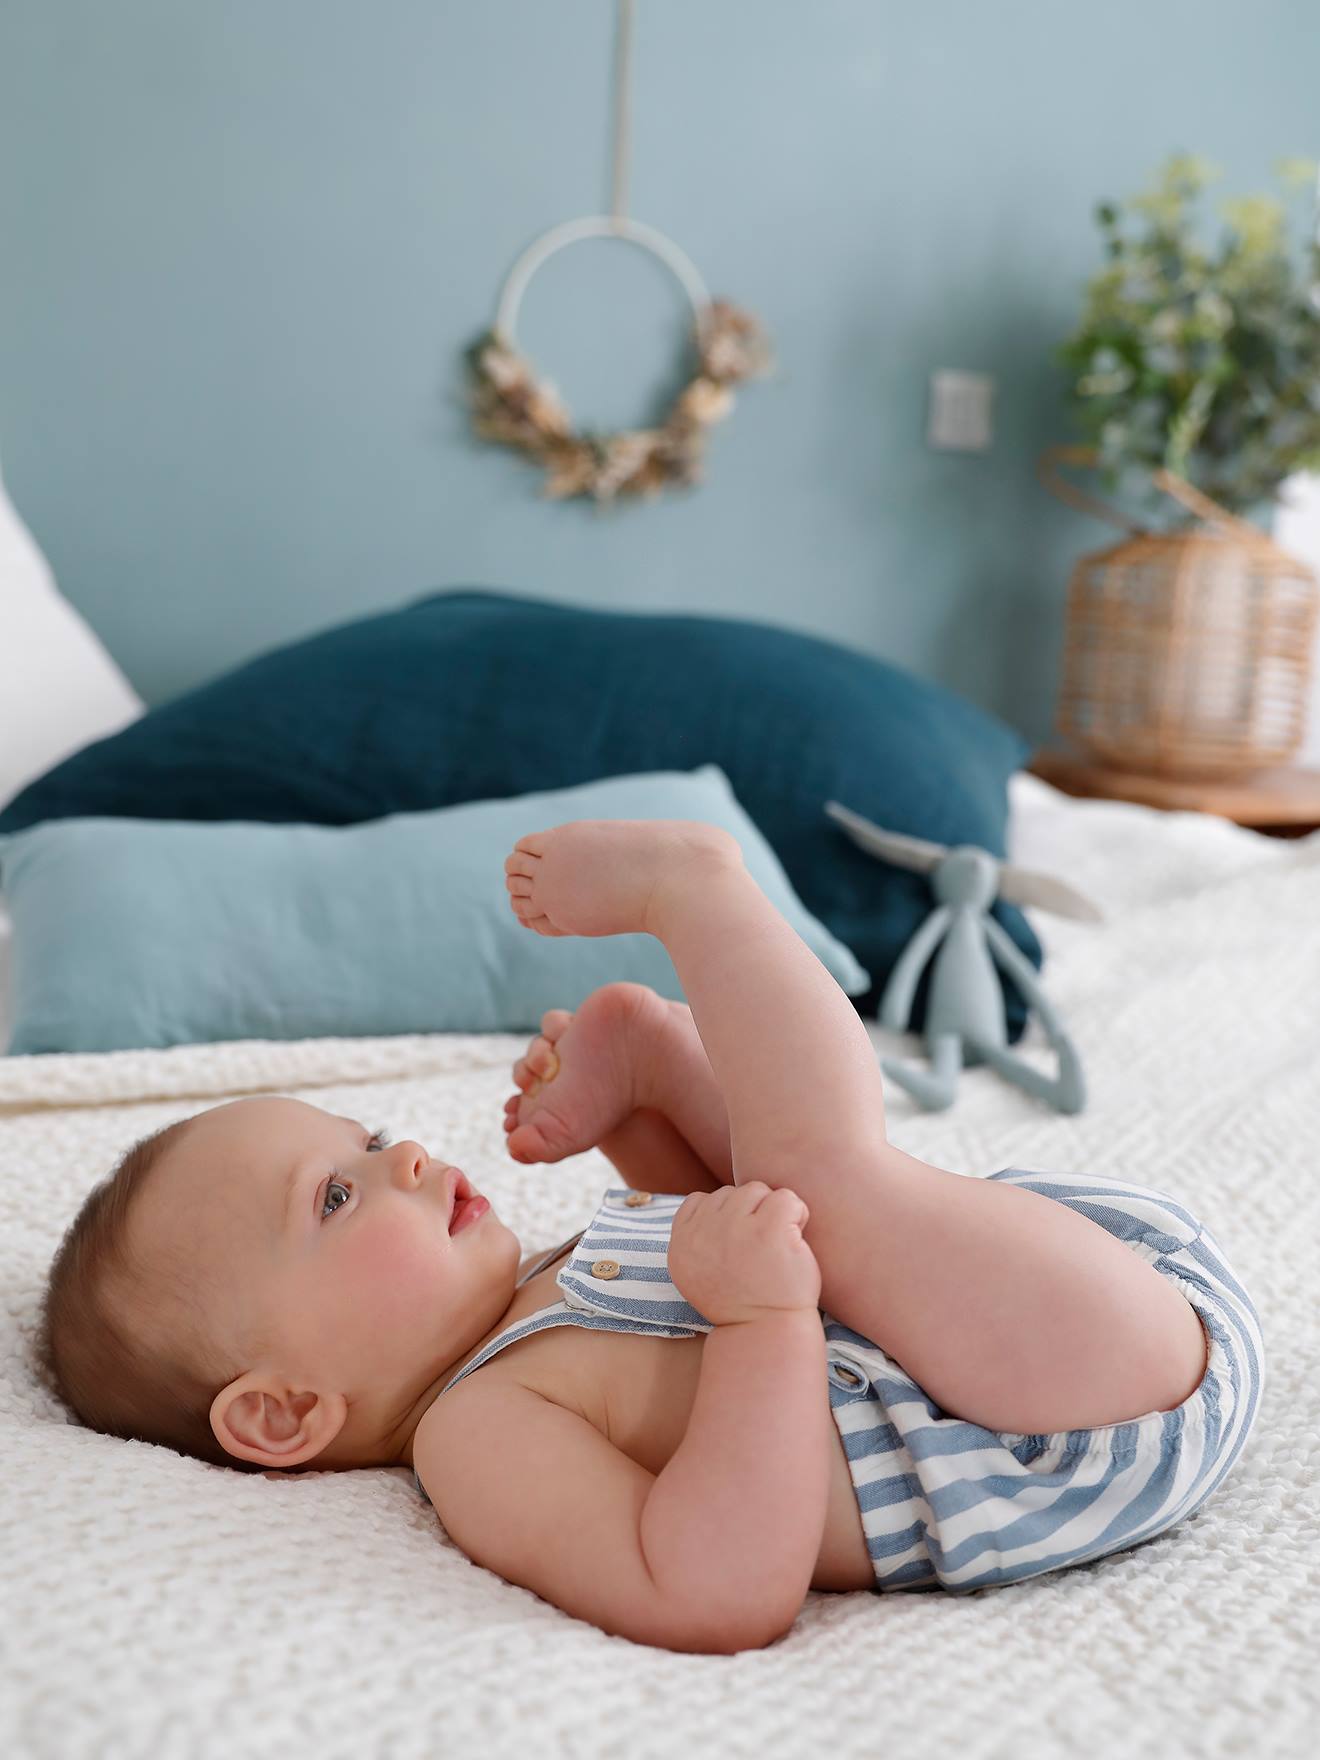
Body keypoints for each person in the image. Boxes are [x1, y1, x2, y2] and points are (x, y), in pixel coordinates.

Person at [37, 820, 1264, 1655]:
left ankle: (662, 1066)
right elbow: (711, 1585)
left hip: (1058, 1300)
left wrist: (640, 1141)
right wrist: (763, 1321)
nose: (402, 1157)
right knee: (820, 1189)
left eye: (366, 1136)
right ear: (284, 1410)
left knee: (795, 1203)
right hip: (1073, 1422)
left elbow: (711, 1250)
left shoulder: (520, 1295)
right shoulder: (478, 1434)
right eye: (337, 1198)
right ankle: (699, 896)